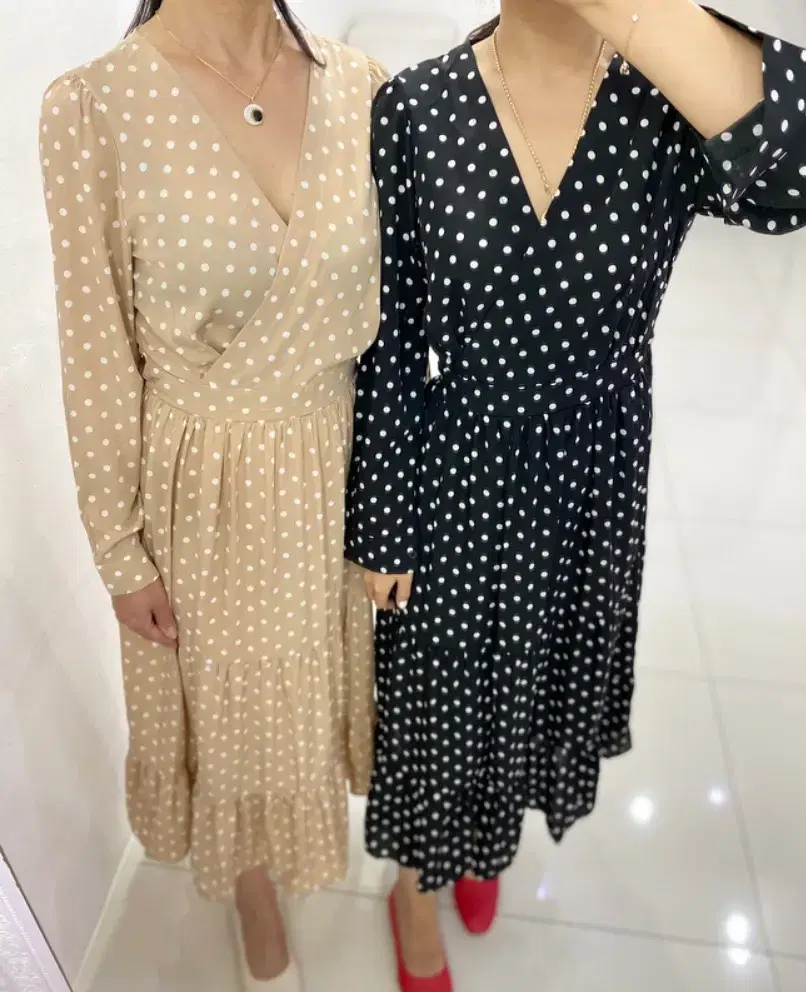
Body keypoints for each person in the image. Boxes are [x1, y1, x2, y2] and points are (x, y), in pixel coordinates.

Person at [346, 0, 806, 988]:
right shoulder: (418, 107)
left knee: (537, 679)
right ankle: (413, 884)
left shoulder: (663, 101)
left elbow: (803, 166)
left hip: (591, 479)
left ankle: (482, 842)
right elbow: (389, 341)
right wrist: (382, 524)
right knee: (438, 694)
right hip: (457, 467)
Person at [39, 0, 385, 987]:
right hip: (206, 493)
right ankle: (253, 889)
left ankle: (301, 840)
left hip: (334, 465)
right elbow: (97, 352)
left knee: (310, 684)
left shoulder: (360, 86)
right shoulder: (94, 108)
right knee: (230, 708)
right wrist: (119, 549)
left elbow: (396, 323)